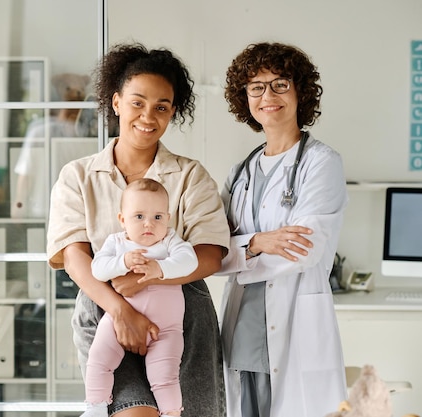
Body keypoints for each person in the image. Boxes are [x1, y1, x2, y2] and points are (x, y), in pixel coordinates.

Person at [46, 42, 230, 417]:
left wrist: (148, 279)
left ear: (172, 112)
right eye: (137, 102)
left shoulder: (191, 175)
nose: (148, 115)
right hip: (104, 313)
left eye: (162, 106)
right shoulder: (78, 176)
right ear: (116, 102)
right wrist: (120, 309)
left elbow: (210, 254)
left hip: (181, 320)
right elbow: (74, 256)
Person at [218, 42, 348, 417]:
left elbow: (303, 249)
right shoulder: (239, 172)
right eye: (256, 87)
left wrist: (240, 252)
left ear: (300, 92)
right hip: (242, 327)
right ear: (245, 98)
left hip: (297, 320)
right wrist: (258, 243)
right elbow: (210, 253)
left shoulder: (322, 163)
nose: (267, 96)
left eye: (280, 84)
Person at [83, 178, 198, 417]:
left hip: (165, 329)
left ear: (167, 218)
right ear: (122, 220)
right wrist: (122, 262)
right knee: (98, 359)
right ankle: (96, 407)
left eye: (158, 217)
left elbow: (190, 261)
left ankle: (172, 413)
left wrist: (160, 269)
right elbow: (98, 269)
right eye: (139, 217)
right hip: (119, 321)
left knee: (165, 375)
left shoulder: (170, 242)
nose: (149, 224)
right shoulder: (117, 243)